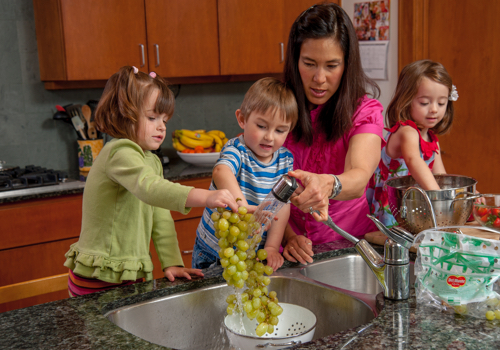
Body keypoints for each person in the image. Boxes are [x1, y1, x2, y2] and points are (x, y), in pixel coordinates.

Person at [64, 66, 239, 296]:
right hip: (99, 273)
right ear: (123, 114)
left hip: (129, 272)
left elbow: (160, 214)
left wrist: (172, 262)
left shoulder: (151, 161)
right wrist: (206, 196)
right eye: (152, 117)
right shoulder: (119, 152)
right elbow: (150, 189)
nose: (162, 126)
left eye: (164, 119)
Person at [281, 3, 385, 264]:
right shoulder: (279, 107)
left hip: (347, 247)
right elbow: (261, 181)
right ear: (294, 60)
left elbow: (359, 176)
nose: (319, 78)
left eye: (331, 65)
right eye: (309, 63)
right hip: (287, 246)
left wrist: (330, 184)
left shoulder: (365, 111)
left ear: (346, 64)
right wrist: (288, 236)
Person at [192, 77, 298, 271]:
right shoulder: (236, 149)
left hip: (249, 252)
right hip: (213, 250)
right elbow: (221, 171)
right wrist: (243, 210)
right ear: (242, 119)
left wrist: (272, 247)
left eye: (280, 130)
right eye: (261, 126)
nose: (269, 136)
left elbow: (281, 207)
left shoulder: (285, 161)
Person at [367, 60, 456, 228]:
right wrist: (439, 196)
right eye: (424, 103)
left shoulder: (431, 138)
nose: (434, 109)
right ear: (407, 100)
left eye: (441, 103)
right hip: (392, 211)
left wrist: (461, 195)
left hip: (414, 210)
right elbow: (414, 161)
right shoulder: (406, 132)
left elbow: (441, 176)